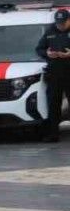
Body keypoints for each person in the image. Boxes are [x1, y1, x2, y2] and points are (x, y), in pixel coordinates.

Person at [36, 8, 70, 142]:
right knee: (53, 103)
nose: (60, 25)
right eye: (58, 23)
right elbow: (39, 49)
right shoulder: (50, 31)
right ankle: (53, 133)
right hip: (55, 73)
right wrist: (47, 54)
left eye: (63, 23)